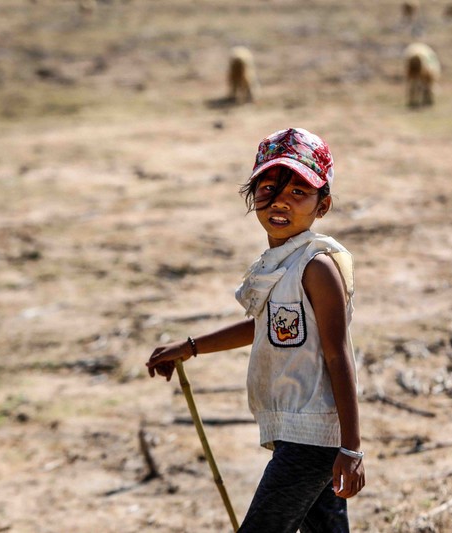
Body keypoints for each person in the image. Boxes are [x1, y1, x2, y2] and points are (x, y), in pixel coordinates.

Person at [146, 127, 364, 533]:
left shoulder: (316, 267)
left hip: (313, 435)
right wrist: (190, 347)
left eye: (299, 192)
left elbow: (339, 354)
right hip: (294, 428)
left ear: (323, 205)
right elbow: (265, 326)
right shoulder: (280, 261)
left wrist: (351, 446)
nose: (280, 200)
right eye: (268, 188)